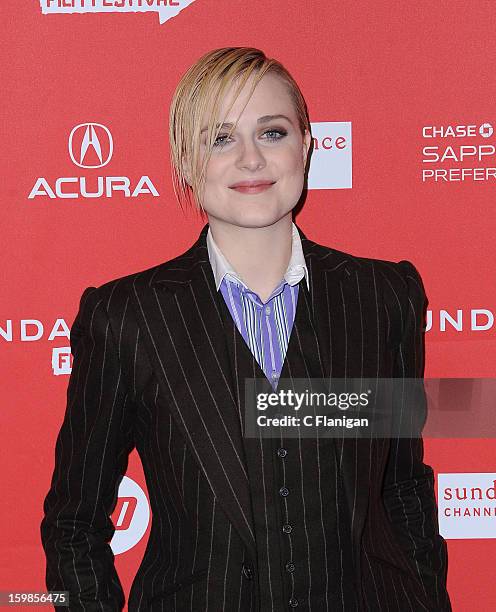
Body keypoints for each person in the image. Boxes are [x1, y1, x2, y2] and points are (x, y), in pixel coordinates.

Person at [40, 47, 451, 611]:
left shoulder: (382, 298)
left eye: (273, 132)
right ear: (185, 161)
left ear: (307, 145)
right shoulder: (126, 318)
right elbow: (73, 523)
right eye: (221, 138)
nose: (252, 159)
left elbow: (401, 488)